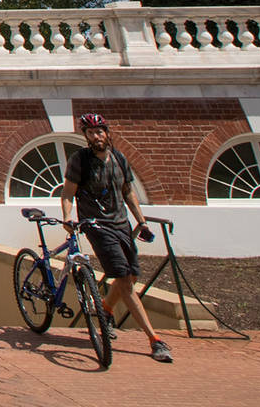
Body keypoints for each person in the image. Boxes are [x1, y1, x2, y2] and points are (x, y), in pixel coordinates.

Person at [62, 112, 173, 364]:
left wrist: (141, 222)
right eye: (91, 133)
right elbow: (68, 193)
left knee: (132, 275)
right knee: (124, 281)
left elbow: (128, 192)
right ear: (86, 136)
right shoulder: (80, 160)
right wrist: (68, 218)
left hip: (121, 223)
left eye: (99, 131)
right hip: (97, 226)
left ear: (107, 133)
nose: (96, 136)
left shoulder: (119, 159)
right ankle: (155, 340)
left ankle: (106, 310)